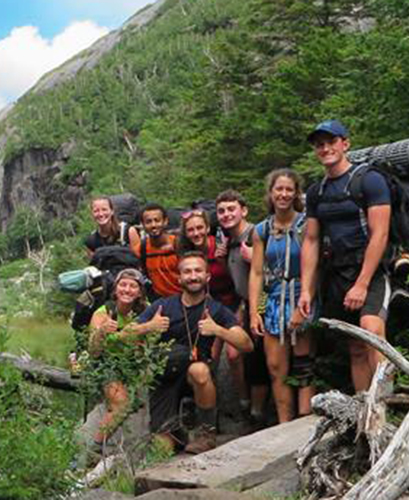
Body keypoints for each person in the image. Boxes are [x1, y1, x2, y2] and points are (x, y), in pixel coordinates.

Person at [126, 252, 253, 454]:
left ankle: (206, 433)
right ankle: (178, 432)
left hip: (193, 373)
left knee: (200, 371)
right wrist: (148, 326)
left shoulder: (216, 309)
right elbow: (126, 334)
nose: (193, 276)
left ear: (207, 277)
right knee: (162, 451)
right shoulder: (163, 305)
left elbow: (246, 344)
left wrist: (218, 330)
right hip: (164, 378)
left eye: (198, 271)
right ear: (179, 278)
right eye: (187, 271)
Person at [298, 120, 391, 392]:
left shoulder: (370, 180)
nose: (325, 148)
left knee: (371, 331)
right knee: (355, 346)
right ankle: (363, 410)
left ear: (345, 144)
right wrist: (306, 290)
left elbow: (380, 234)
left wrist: (362, 283)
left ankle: (386, 402)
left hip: (372, 271)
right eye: (320, 144)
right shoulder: (317, 192)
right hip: (337, 273)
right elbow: (311, 240)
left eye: (331, 142)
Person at [249, 169, 316, 423]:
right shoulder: (261, 230)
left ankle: (305, 422)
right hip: (275, 297)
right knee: (276, 367)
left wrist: (305, 301)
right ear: (270, 193)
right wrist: (256, 310)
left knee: (303, 364)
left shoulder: (307, 224)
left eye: (289, 189)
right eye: (279, 189)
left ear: (296, 193)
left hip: (301, 295)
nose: (284, 194)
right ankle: (283, 424)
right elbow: (256, 272)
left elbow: (314, 265)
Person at [214, 190, 269, 428]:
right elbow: (236, 279)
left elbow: (274, 269)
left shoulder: (254, 234)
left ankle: (257, 413)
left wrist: (255, 258)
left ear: (243, 210)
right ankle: (245, 404)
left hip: (265, 303)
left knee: (257, 357)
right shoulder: (229, 240)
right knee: (235, 353)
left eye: (231, 209)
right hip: (244, 303)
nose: (226, 215)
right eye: (221, 211)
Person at [86, 268, 149, 446]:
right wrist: (101, 333)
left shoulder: (145, 310)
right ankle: (96, 448)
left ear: (140, 292)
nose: (127, 290)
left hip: (132, 364)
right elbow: (93, 351)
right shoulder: (103, 312)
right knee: (121, 403)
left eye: (133, 286)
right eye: (123, 285)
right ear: (115, 289)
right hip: (104, 364)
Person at [134, 204, 180, 299]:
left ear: (165, 221)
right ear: (143, 225)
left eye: (157, 220)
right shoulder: (141, 249)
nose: (153, 225)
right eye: (148, 222)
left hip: (183, 296)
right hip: (158, 300)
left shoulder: (178, 244)